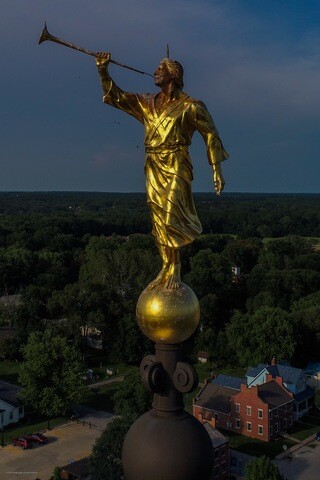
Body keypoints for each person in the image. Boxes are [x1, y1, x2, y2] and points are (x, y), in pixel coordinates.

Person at [96, 53, 228, 290]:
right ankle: (167, 266)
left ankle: (175, 269)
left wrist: (216, 169)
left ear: (173, 76)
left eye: (160, 69)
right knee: (158, 221)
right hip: (153, 165)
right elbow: (117, 97)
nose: (155, 72)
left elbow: (211, 134)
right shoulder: (147, 103)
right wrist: (103, 71)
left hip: (176, 163)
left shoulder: (191, 106)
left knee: (171, 217)